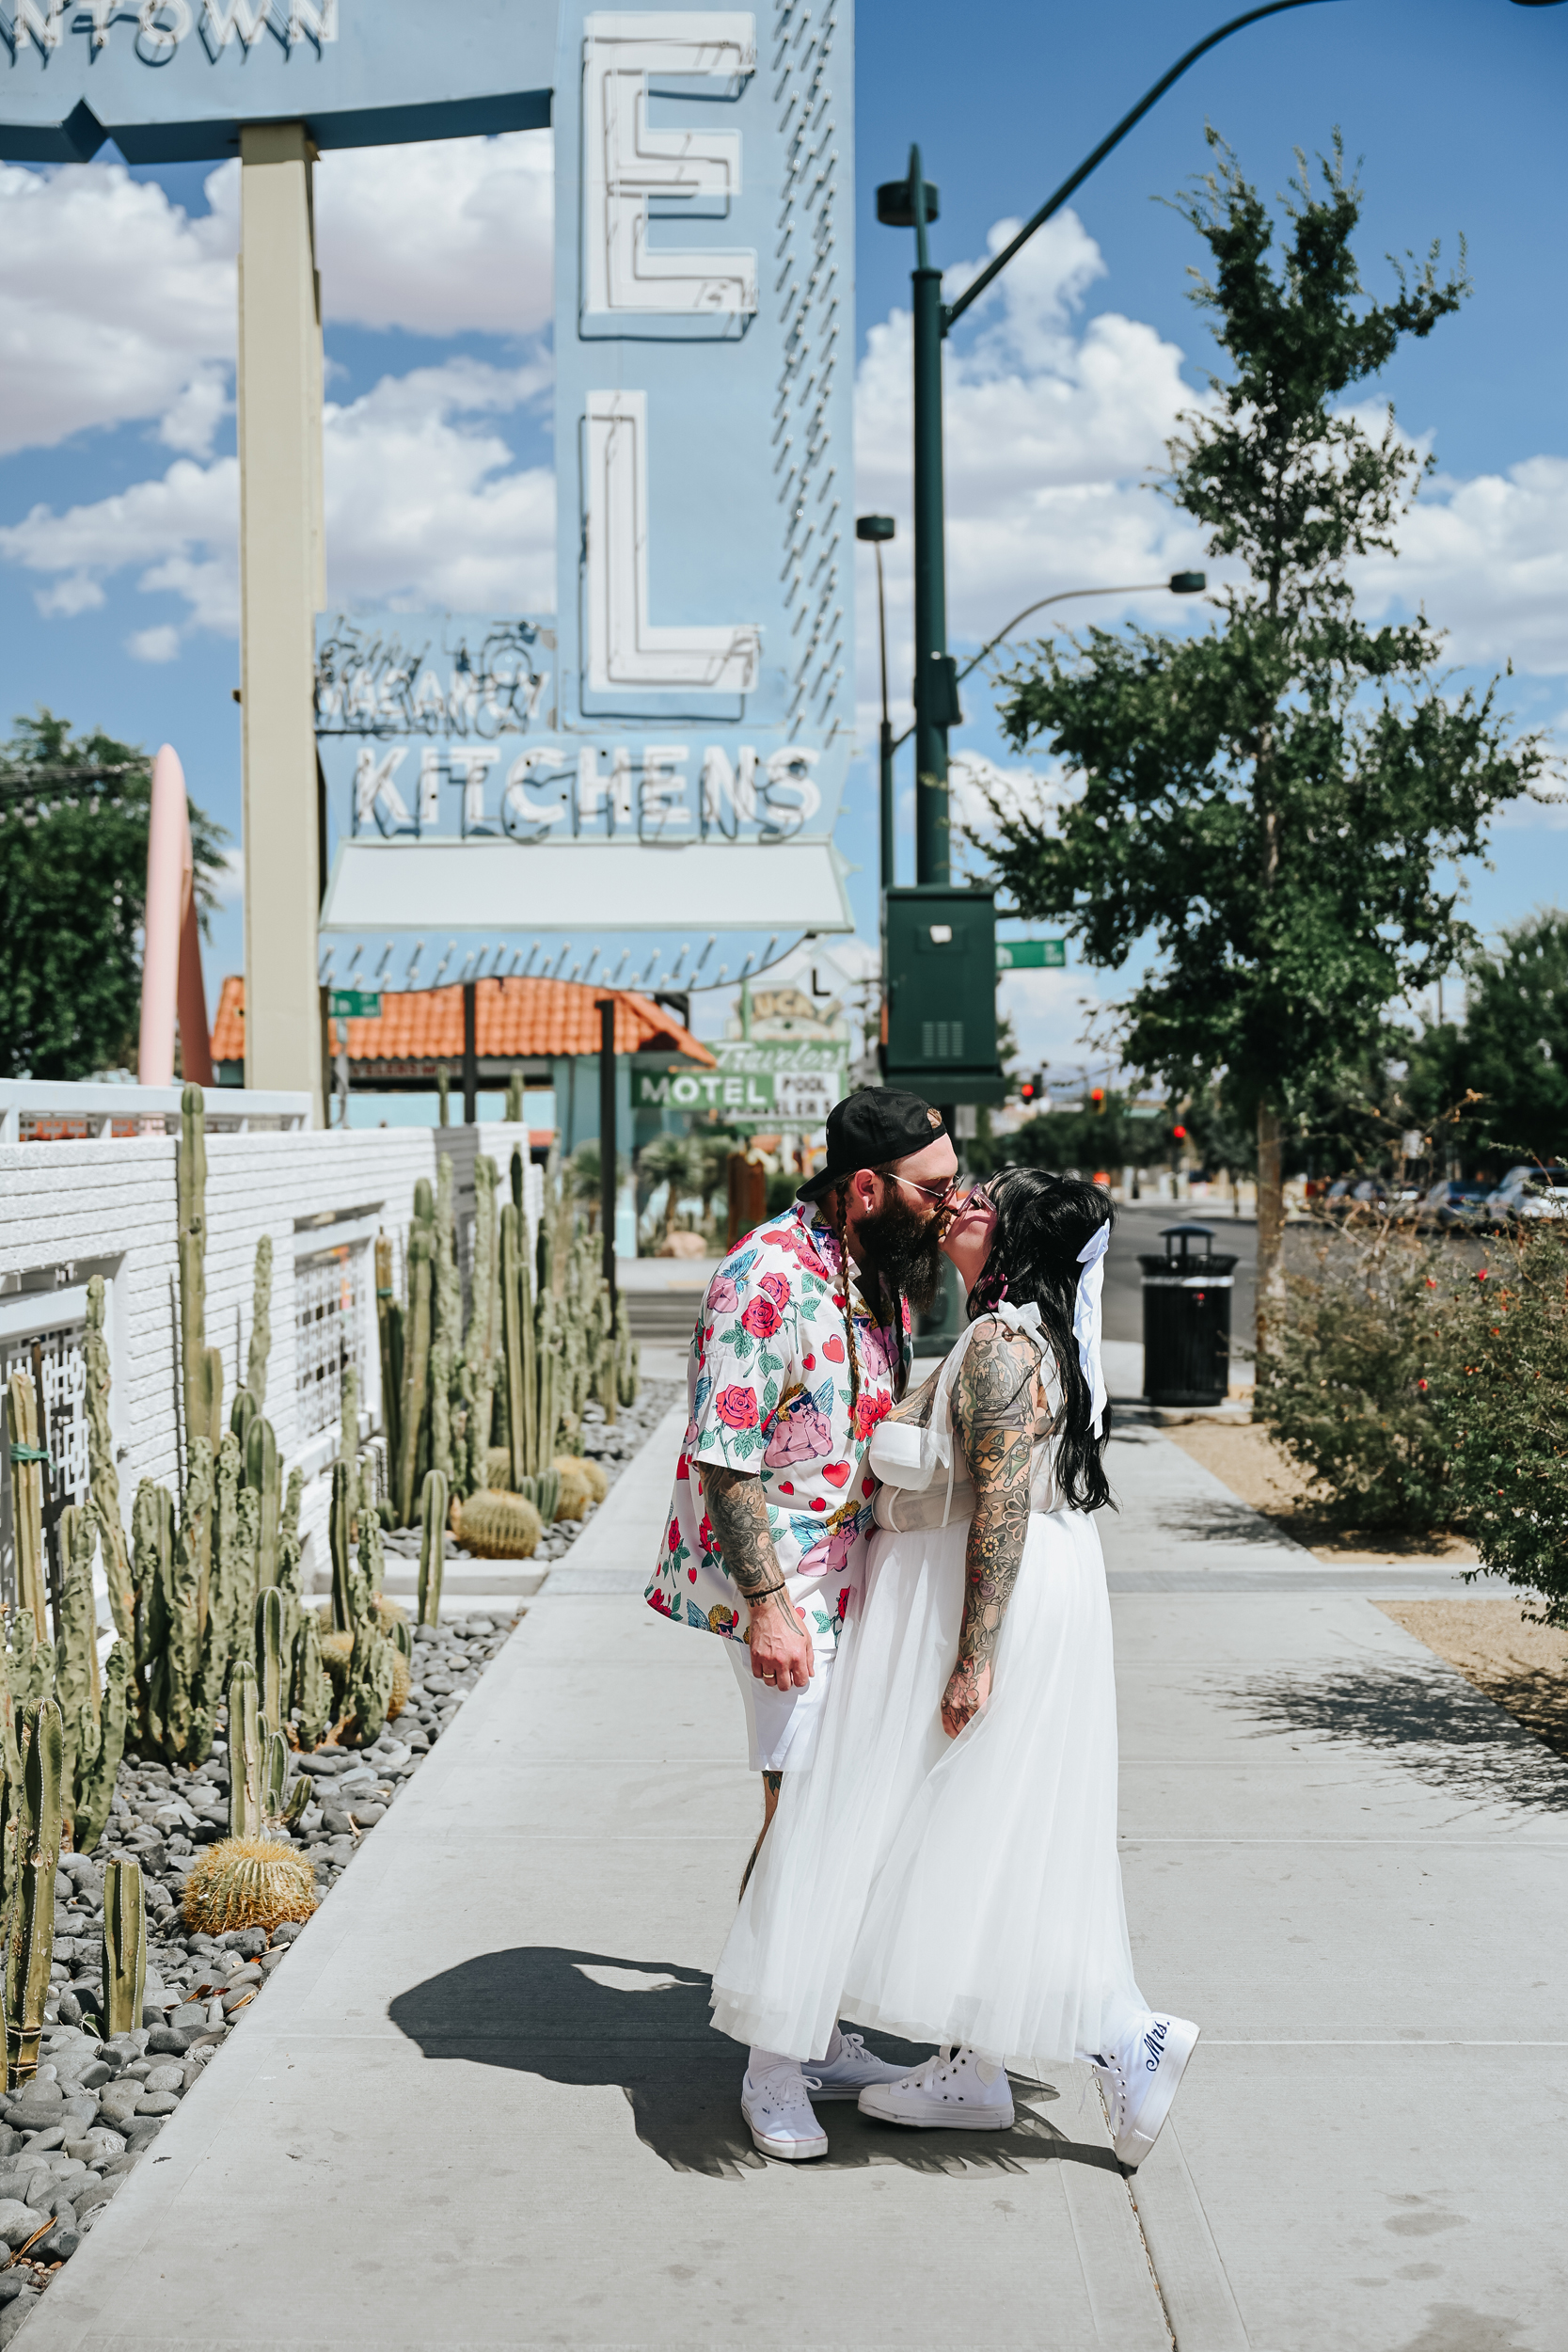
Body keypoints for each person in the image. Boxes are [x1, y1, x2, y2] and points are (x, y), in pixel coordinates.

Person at [709, 1168, 1199, 2170]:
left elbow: (1000, 1510)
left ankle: (1122, 2034)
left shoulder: (998, 1345)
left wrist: (972, 1657)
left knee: (917, 1818)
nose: (961, 1204)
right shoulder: (1009, 1332)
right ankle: (974, 2067)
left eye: (986, 1202)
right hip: (974, 1599)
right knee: (974, 1827)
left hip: (965, 1606)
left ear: (1015, 1239)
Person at [643, 1089, 964, 2154]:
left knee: (842, 1810)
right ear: (864, 1187)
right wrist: (768, 1608)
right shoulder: (766, 1276)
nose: (948, 1203)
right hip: (783, 1588)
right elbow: (724, 1457)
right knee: (803, 1814)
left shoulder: (874, 1272)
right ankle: (771, 2066)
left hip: (853, 1574)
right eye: (933, 1189)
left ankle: (809, 2029)